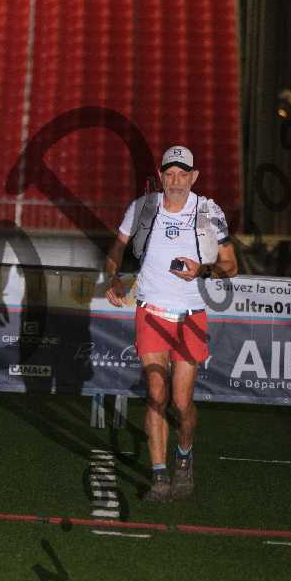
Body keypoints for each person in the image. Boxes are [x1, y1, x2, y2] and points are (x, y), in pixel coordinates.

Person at [105, 145, 238, 502]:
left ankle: (184, 456)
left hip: (190, 316)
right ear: (160, 176)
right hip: (150, 312)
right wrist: (113, 277)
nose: (176, 181)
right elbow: (117, 248)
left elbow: (231, 265)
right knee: (155, 393)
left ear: (194, 177)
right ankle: (160, 475)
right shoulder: (142, 208)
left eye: (183, 174)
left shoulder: (209, 212)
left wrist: (202, 270)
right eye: (170, 174)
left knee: (181, 402)